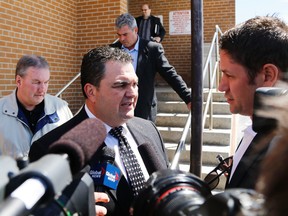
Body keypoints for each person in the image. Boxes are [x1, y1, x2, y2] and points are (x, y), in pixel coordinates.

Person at [29, 46, 169, 215]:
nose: (132, 93)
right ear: (91, 91)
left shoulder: (149, 129)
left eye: (135, 84)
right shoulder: (51, 151)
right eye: (121, 85)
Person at [217, 16, 288, 189]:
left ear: (268, 75)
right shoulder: (257, 126)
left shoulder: (281, 149)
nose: (221, 86)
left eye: (230, 76)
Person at [111, 13, 191, 122]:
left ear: (136, 30)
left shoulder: (152, 49)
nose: (121, 39)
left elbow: (170, 74)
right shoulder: (112, 51)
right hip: (118, 110)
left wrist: (188, 98)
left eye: (125, 34)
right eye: (119, 35)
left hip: (144, 110)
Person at [0, 54, 73, 159]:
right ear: (18, 81)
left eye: (46, 82)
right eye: (36, 82)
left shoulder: (62, 109)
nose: (42, 89)